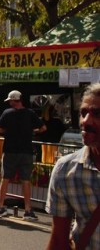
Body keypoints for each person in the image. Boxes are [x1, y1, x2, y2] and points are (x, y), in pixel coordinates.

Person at [46, 83, 100, 250]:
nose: (86, 121)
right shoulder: (65, 170)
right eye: (83, 112)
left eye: (97, 114)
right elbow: (58, 241)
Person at [0, 90, 46, 220]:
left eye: (10, 101)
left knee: (5, 178)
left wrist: (10, 130)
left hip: (10, 150)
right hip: (26, 151)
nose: (9, 103)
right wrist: (32, 131)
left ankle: (1, 207)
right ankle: (28, 210)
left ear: (13, 100)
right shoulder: (30, 113)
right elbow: (43, 128)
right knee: (26, 180)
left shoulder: (7, 113)